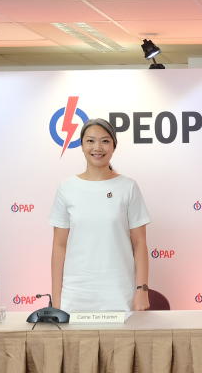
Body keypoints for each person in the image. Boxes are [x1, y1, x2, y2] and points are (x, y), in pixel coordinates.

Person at [49, 118, 151, 312]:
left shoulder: (128, 187)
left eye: (105, 141)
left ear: (114, 146)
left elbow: (140, 244)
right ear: (81, 145)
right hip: (75, 295)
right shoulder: (67, 188)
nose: (97, 147)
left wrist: (142, 290)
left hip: (119, 295)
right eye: (90, 141)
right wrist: (56, 299)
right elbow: (59, 246)